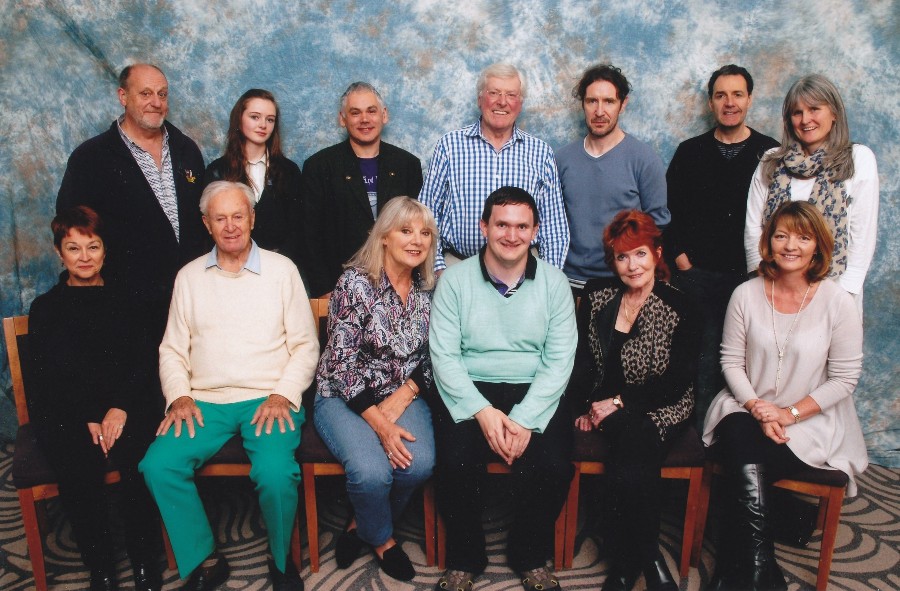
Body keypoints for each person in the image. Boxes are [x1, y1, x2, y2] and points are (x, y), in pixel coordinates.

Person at [139, 182, 319, 591]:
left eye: (238, 216)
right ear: (206, 224)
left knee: (275, 473)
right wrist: (179, 397)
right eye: (220, 218)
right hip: (204, 401)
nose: (231, 226)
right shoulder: (189, 277)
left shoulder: (282, 270)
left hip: (269, 397)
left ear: (252, 218)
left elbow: (306, 346)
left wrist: (282, 394)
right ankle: (206, 560)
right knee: (158, 465)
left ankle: (280, 561)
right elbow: (172, 350)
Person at [704, 201, 866, 591]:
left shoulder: (838, 302)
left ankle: (733, 567)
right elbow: (731, 362)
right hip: (745, 404)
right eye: (781, 235)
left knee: (742, 461)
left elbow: (844, 379)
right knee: (740, 433)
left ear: (818, 246)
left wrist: (787, 414)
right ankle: (762, 567)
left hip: (810, 420)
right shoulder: (745, 294)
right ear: (768, 242)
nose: (790, 246)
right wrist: (758, 407)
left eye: (803, 237)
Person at [429, 187, 576, 591]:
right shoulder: (454, 281)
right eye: (502, 225)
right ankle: (465, 557)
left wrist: (525, 419)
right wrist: (482, 411)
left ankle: (528, 554)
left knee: (554, 467)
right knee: (455, 464)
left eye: (522, 226)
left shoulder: (555, 283)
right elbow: (444, 356)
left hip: (534, 388)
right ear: (484, 227)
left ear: (535, 231)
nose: (512, 235)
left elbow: (559, 361)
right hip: (469, 387)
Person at [28, 206, 161, 591]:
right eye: (73, 248)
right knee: (76, 462)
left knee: (140, 457)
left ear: (105, 250)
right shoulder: (45, 309)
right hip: (69, 411)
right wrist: (87, 416)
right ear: (59, 252)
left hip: (126, 405)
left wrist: (120, 408)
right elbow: (46, 380)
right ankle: (100, 565)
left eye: (93, 246)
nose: (84, 257)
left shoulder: (129, 299)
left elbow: (143, 363)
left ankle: (144, 561)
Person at [569, 210, 700, 591]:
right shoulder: (597, 295)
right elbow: (582, 361)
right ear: (613, 262)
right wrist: (584, 406)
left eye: (640, 253)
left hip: (664, 404)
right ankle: (648, 558)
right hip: (606, 406)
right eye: (622, 257)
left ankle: (628, 562)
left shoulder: (682, 306)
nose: (632, 265)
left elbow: (678, 380)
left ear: (657, 253)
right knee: (633, 441)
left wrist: (620, 402)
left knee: (634, 436)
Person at [314, 197, 438, 581]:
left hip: (402, 391)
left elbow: (435, 356)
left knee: (418, 464)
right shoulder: (355, 283)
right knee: (371, 474)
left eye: (425, 233)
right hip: (343, 394)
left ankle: (360, 525)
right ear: (384, 236)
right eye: (406, 230)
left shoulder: (428, 290)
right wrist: (381, 425)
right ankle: (382, 540)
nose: (416, 240)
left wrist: (404, 395)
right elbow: (341, 364)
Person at [57, 63, 207, 349]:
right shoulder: (90, 158)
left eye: (162, 94)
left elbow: (202, 224)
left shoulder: (186, 149)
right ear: (123, 96)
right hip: (123, 307)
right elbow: (71, 230)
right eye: (146, 93)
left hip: (187, 301)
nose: (156, 102)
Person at [666, 65, 779, 423]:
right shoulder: (690, 152)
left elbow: (779, 217)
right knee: (697, 356)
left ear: (749, 99)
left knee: (746, 360)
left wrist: (762, 269)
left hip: (751, 277)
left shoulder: (770, 153)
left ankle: (733, 435)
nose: (729, 102)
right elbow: (667, 212)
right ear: (710, 103)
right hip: (696, 277)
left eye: (737, 94)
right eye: (721, 95)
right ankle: (697, 435)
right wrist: (681, 260)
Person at [745, 75, 879, 316]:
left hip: (835, 291)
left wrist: (843, 295)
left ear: (834, 113)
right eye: (797, 112)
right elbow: (754, 227)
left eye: (814, 109)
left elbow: (862, 235)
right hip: (776, 290)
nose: (805, 120)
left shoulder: (858, 159)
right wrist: (760, 285)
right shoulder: (771, 160)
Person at [419, 63, 569, 273]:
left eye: (511, 95)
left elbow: (554, 227)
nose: (502, 102)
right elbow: (425, 214)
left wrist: (547, 278)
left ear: (520, 103)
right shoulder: (449, 146)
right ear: (480, 99)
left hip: (522, 269)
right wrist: (438, 269)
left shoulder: (541, 152)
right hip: (458, 266)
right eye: (494, 93)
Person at [301, 82, 423, 296]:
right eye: (355, 112)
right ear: (342, 119)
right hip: (339, 287)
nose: (364, 119)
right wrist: (324, 289)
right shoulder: (319, 166)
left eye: (371, 111)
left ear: (384, 115)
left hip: (398, 285)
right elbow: (309, 236)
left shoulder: (407, 165)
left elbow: (417, 230)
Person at [556, 64, 669, 291]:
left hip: (622, 283)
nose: (599, 111)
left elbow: (657, 223)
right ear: (583, 104)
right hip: (568, 281)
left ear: (623, 104)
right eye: (592, 101)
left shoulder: (644, 159)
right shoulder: (562, 159)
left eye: (609, 101)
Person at [205, 89, 302, 266]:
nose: (263, 125)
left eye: (270, 119)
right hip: (231, 266)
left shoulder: (289, 171)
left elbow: (297, 229)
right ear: (239, 119)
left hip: (279, 267)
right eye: (255, 117)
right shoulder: (217, 171)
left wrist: (279, 267)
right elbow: (211, 229)